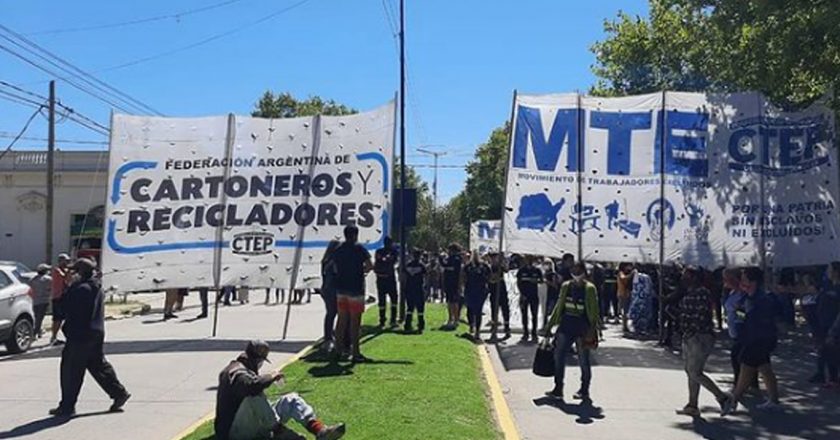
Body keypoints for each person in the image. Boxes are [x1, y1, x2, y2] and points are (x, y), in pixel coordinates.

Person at [215, 340, 345, 440]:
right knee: (254, 396)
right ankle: (279, 432)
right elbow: (252, 387)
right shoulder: (235, 371)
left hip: (251, 424)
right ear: (256, 358)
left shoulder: (245, 369)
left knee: (291, 399)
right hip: (234, 431)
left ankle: (319, 430)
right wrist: (271, 376)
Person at [49, 258, 130, 417]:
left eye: (73, 271)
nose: (70, 274)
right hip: (95, 332)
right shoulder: (95, 286)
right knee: (98, 365)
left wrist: (66, 288)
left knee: (71, 370)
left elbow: (63, 309)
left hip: (79, 335)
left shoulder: (80, 289)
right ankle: (119, 393)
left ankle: (67, 406)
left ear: (79, 273)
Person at [723, 267, 781, 414]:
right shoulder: (747, 297)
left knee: (746, 366)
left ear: (753, 282)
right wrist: (739, 312)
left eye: (744, 279)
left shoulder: (762, 299)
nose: (741, 282)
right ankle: (773, 399)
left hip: (759, 338)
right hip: (752, 337)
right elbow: (744, 317)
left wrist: (743, 315)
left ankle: (734, 399)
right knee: (764, 368)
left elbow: (760, 320)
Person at [675, 266, 728, 417]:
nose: (683, 278)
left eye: (686, 275)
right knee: (690, 372)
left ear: (695, 277)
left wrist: (689, 330)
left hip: (700, 336)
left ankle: (723, 398)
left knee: (695, 372)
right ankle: (692, 405)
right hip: (689, 336)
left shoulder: (702, 293)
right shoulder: (689, 292)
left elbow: (699, 316)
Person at [545, 262, 599, 401]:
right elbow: (559, 305)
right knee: (559, 356)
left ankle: (584, 389)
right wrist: (550, 325)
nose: (576, 273)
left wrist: (593, 329)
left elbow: (594, 311)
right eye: (573, 270)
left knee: (583, 360)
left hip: (582, 327)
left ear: (584, 272)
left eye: (578, 270)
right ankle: (558, 388)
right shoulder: (566, 286)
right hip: (566, 324)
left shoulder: (590, 289)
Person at [332, 225, 373, 363]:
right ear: (356, 234)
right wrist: (363, 271)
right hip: (356, 289)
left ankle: (338, 351)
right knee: (355, 323)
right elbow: (369, 265)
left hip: (341, 289)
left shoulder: (338, 249)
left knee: (341, 321)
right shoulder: (359, 248)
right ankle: (355, 352)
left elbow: (335, 267)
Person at [812, 262, 840, 386]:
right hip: (822, 322)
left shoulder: (838, 288)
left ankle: (834, 378)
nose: (828, 272)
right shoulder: (827, 285)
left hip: (834, 323)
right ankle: (821, 374)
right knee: (822, 349)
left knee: (833, 351)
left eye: (830, 270)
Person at [463, 252, 491, 342]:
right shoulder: (468, 266)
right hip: (470, 290)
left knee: (478, 311)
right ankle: (471, 325)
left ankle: (477, 331)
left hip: (480, 291)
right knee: (470, 310)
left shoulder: (484, 266)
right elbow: (463, 277)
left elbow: (489, 275)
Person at [374, 237, 399, 328]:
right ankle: (392, 320)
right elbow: (394, 261)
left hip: (381, 279)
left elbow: (379, 261)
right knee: (393, 299)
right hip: (389, 278)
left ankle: (383, 320)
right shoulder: (393, 252)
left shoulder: (379, 251)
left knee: (383, 300)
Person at [517, 255, 543, 342]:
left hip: (534, 296)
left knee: (534, 315)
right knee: (524, 315)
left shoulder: (537, 270)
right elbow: (518, 283)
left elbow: (541, 280)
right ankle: (525, 333)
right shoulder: (521, 270)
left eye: (531, 259)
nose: (529, 261)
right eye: (528, 259)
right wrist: (522, 294)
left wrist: (536, 281)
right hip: (524, 296)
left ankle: (534, 334)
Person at [320, 241, 341, 349]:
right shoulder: (334, 262)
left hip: (326, 289)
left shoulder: (325, 260)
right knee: (334, 313)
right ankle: (329, 337)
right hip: (332, 290)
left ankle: (329, 335)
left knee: (330, 313)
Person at [441, 244, 465, 330]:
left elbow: (455, 270)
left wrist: (445, 266)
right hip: (448, 283)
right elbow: (445, 265)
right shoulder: (449, 258)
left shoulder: (457, 259)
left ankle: (456, 319)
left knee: (454, 302)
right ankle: (450, 318)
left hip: (454, 283)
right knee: (449, 301)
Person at [488, 253, 511, 340]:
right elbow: (489, 277)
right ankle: (494, 328)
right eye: (492, 258)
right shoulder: (489, 267)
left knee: (505, 309)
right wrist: (493, 279)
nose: (494, 260)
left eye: (495, 258)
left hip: (501, 290)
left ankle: (507, 327)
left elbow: (506, 270)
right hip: (493, 290)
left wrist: (503, 262)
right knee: (494, 310)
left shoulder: (500, 266)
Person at [50, 253, 72, 344]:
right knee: (57, 319)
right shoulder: (57, 270)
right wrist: (69, 271)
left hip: (65, 297)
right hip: (58, 297)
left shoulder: (65, 270)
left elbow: (68, 281)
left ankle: (67, 336)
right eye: (66, 261)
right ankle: (53, 337)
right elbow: (64, 278)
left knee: (66, 318)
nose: (67, 263)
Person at [404, 248, 427, 333]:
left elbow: (404, 275)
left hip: (409, 288)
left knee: (410, 308)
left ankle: (407, 324)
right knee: (420, 308)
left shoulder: (408, 265)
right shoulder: (421, 265)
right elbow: (425, 275)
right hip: (418, 288)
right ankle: (421, 325)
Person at [628, 265, 655, 335]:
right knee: (644, 314)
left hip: (637, 298)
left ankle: (637, 328)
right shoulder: (647, 277)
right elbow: (649, 288)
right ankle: (642, 329)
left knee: (637, 313)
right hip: (644, 298)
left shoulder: (636, 275)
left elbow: (634, 286)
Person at [28, 264, 52, 338]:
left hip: (35, 300)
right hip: (44, 300)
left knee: (37, 317)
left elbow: (30, 290)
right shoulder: (48, 279)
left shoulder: (32, 280)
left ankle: (39, 331)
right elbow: (50, 288)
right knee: (40, 318)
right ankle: (34, 333)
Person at [542, 260, 561, 333]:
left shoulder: (553, 274)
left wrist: (547, 282)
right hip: (546, 296)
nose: (546, 266)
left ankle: (549, 328)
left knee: (550, 312)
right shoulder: (545, 274)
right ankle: (545, 327)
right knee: (546, 312)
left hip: (552, 296)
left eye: (547, 264)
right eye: (545, 264)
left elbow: (555, 285)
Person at [617, 262, 634, 333]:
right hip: (623, 294)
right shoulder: (621, 273)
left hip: (627, 294)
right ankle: (624, 326)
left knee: (627, 311)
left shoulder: (627, 273)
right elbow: (623, 279)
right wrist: (631, 274)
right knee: (625, 311)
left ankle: (625, 325)